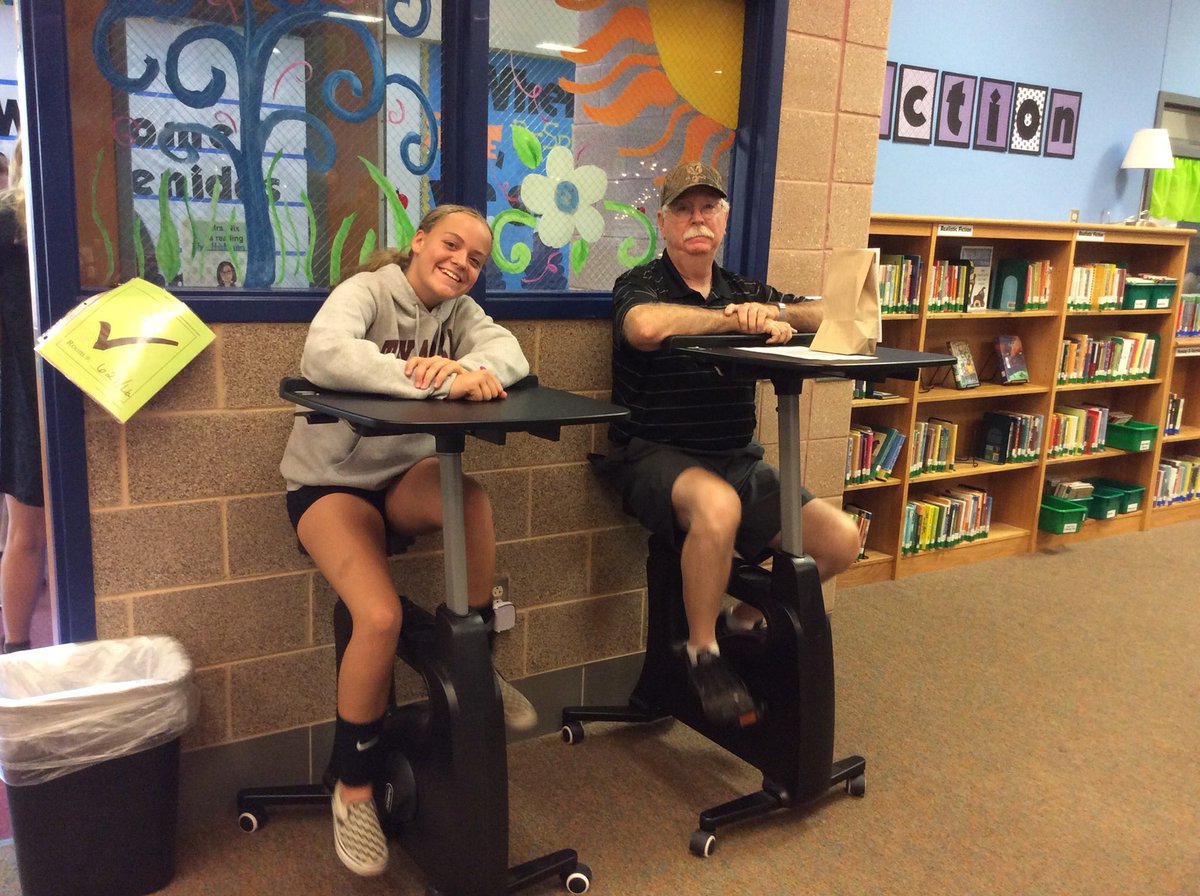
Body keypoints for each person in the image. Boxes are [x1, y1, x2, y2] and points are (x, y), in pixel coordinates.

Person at [279, 204, 536, 878]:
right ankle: (354, 789)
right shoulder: (369, 290)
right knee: (381, 616)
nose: (462, 262)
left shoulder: (461, 315)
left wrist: (473, 371)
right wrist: (433, 375)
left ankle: (477, 666)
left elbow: (510, 353)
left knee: (471, 501)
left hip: (402, 477)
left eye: (476, 258)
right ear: (420, 243)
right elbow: (324, 352)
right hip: (332, 484)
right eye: (451, 245)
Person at [597, 161, 861, 728]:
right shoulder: (639, 282)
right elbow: (644, 327)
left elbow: (841, 313)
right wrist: (727, 320)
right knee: (718, 508)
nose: (698, 220)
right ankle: (702, 652)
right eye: (685, 210)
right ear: (663, 222)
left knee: (840, 540)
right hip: (653, 454)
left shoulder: (746, 288)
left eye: (709, 209)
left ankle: (740, 622)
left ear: (723, 221)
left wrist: (774, 312)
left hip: (737, 462)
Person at [0, 136, 48, 654]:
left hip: (83, 379)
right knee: (27, 529)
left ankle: (16, 647)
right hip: (20, 389)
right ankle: (15, 650)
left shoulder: (91, 214)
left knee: (28, 530)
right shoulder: (6, 221)